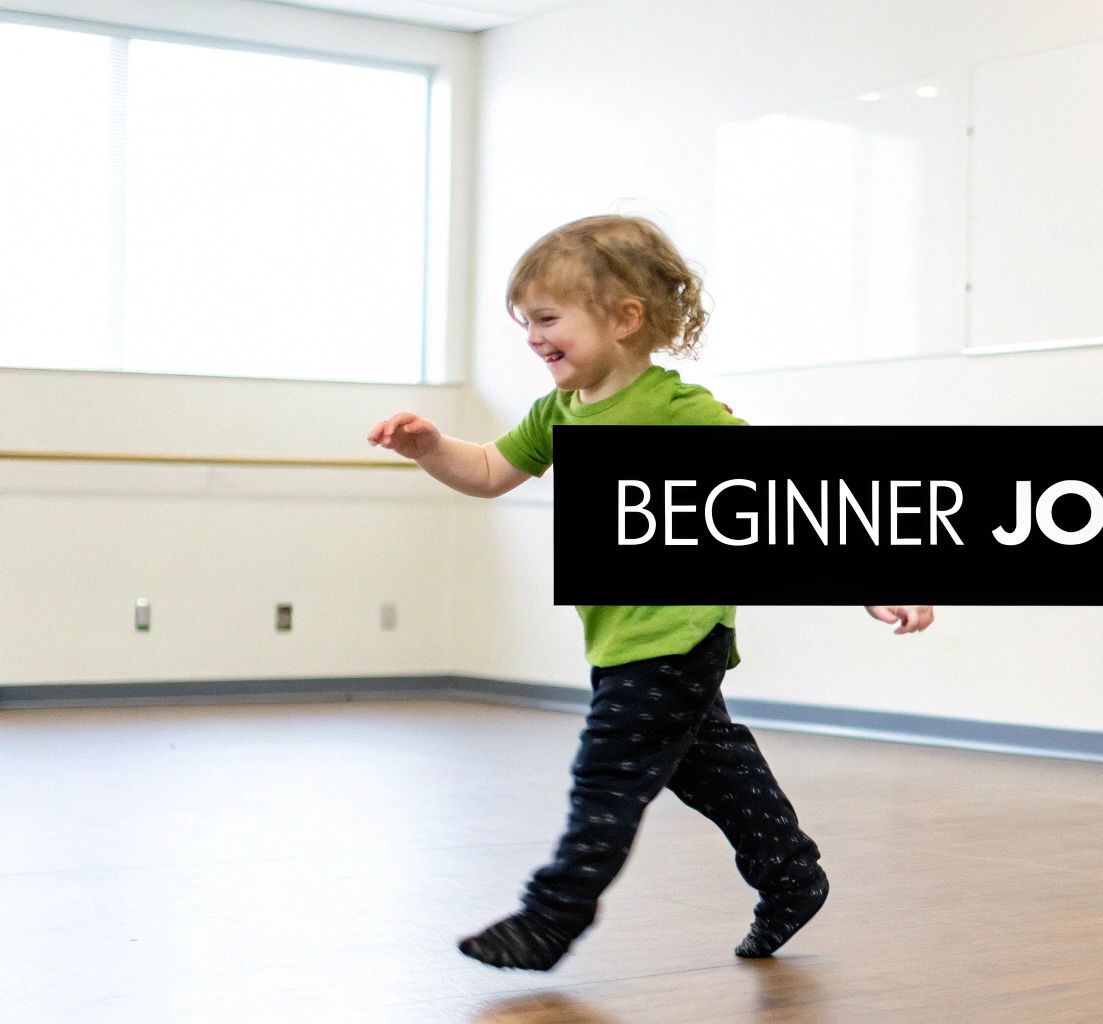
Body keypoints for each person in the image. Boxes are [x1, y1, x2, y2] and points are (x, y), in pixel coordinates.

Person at [368, 214, 934, 969]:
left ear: (625, 318)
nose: (533, 337)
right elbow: (488, 472)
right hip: (619, 633)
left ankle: (552, 917)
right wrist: (433, 448)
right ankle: (791, 876)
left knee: (607, 776)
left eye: (547, 318)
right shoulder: (559, 412)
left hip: (674, 633)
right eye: (525, 322)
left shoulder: (680, 413)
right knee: (714, 772)